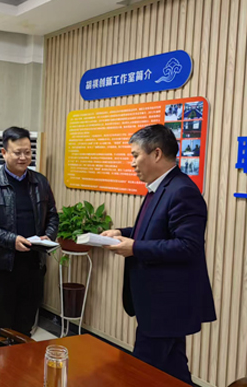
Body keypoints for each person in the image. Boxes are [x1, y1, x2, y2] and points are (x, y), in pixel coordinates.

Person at [101, 124, 216, 384]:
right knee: (174, 371)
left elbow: (188, 246)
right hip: (156, 305)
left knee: (140, 374)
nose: (132, 163)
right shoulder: (160, 188)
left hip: (166, 306)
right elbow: (154, 231)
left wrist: (133, 247)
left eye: (135, 155)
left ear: (156, 154)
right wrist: (121, 232)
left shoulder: (182, 191)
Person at [0, 126, 58, 337]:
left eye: (27, 152)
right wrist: (11, 240)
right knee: (2, 328)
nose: (23, 157)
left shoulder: (40, 182)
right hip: (3, 270)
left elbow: (53, 215)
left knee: (25, 327)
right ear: (4, 153)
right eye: (17, 152)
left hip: (34, 267)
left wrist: (49, 235)